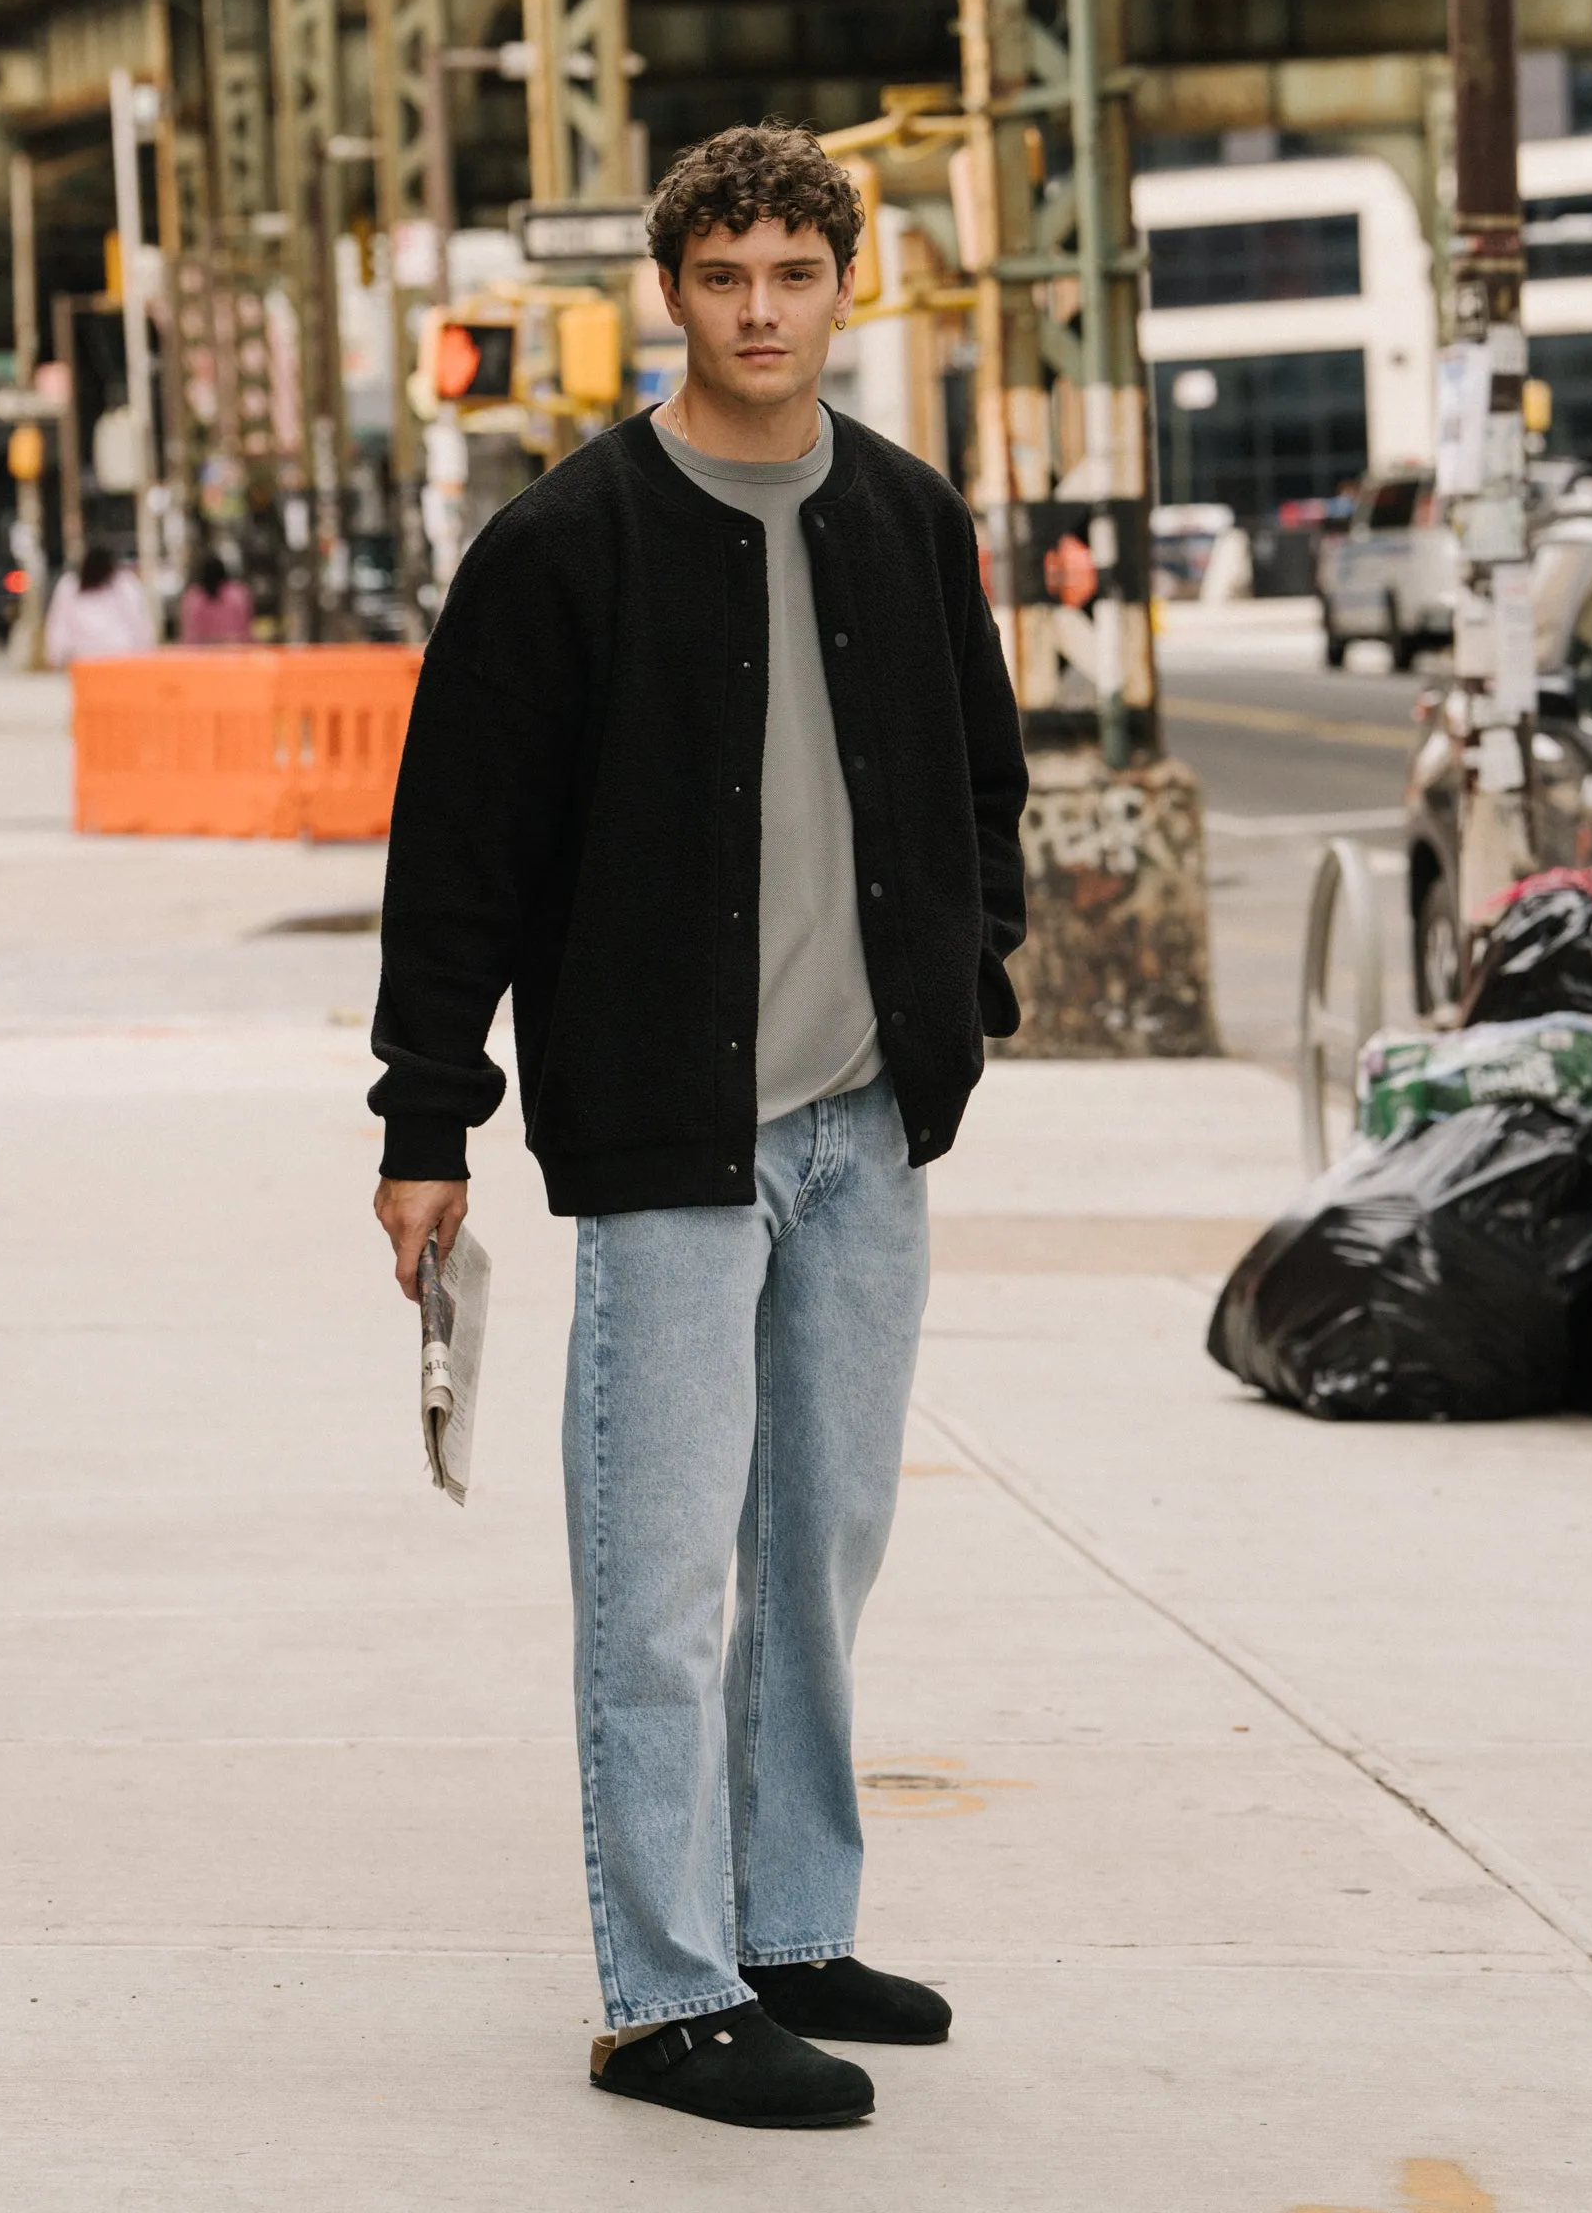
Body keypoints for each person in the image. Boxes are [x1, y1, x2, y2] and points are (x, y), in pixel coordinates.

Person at [370, 120, 1027, 2134]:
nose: (758, 311)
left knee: (821, 1552)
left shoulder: (908, 517)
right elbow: (457, 856)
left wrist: (964, 997)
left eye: (793, 276)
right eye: (723, 277)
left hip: (861, 1127)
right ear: (671, 291)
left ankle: (790, 1922)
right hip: (669, 1137)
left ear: (848, 286)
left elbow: (985, 783)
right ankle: (665, 1990)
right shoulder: (565, 544)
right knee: (658, 1574)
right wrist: (428, 1116)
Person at [43, 543, 154, 667]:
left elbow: (59, 623)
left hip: (104, 656)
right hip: (106, 655)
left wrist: (55, 654)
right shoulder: (70, 586)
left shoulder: (123, 585)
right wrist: (145, 651)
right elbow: (138, 621)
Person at [179, 552, 255, 647]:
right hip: (235, 650)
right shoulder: (238, 594)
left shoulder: (193, 598)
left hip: (203, 653)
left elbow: (189, 635)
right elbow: (247, 629)